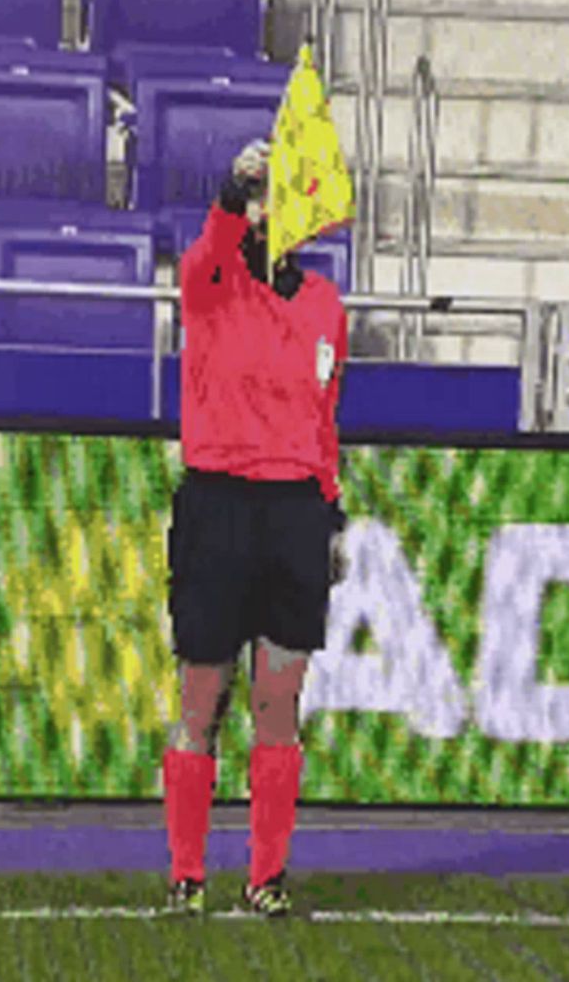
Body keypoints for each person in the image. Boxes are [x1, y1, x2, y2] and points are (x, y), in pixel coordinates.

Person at [163, 138, 350, 917]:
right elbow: (208, 246)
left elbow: (324, 417)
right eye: (263, 200)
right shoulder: (210, 281)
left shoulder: (324, 306)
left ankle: (265, 878)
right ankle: (186, 875)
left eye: (284, 201)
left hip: (295, 516)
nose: (276, 215)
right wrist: (232, 185)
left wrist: (330, 511)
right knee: (200, 699)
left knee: (279, 701)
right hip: (218, 506)